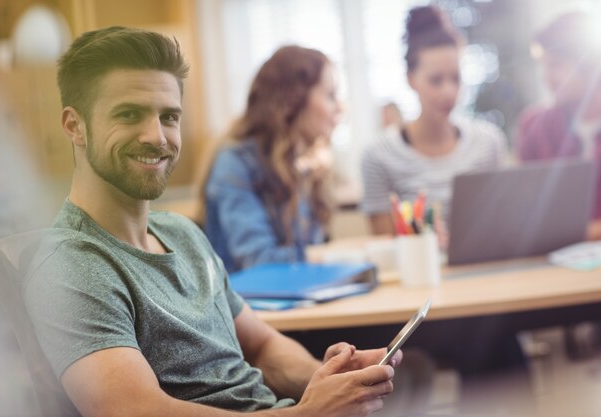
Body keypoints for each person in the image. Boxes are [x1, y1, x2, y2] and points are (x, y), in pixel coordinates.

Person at [23, 26, 401, 417]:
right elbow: (134, 410)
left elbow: (262, 347)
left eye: (169, 116)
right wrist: (308, 413)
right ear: (74, 125)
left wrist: (329, 380)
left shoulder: (183, 234)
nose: (156, 136)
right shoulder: (70, 265)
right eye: (129, 114)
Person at [361, 5, 508, 236]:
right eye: (436, 80)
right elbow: (386, 242)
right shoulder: (378, 155)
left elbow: (503, 225)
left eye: (455, 78)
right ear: (411, 79)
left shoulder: (488, 143)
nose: (449, 92)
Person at [204, 45, 340, 272]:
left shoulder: (301, 164)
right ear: (293, 100)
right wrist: (334, 256)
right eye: (330, 96)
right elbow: (259, 262)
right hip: (249, 304)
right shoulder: (235, 164)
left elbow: (307, 253)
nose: (340, 108)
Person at [517, 11, 601, 240]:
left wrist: (576, 233)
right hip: (554, 263)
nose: (547, 77)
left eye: (556, 66)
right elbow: (527, 212)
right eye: (544, 66)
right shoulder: (534, 127)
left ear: (591, 65)